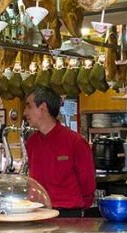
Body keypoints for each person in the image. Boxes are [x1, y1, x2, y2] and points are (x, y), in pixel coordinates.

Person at [23, 86, 96, 216]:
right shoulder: (31, 142)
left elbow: (88, 184)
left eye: (29, 106)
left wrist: (78, 209)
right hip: (38, 212)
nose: (25, 112)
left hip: (68, 215)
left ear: (43, 108)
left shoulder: (75, 142)